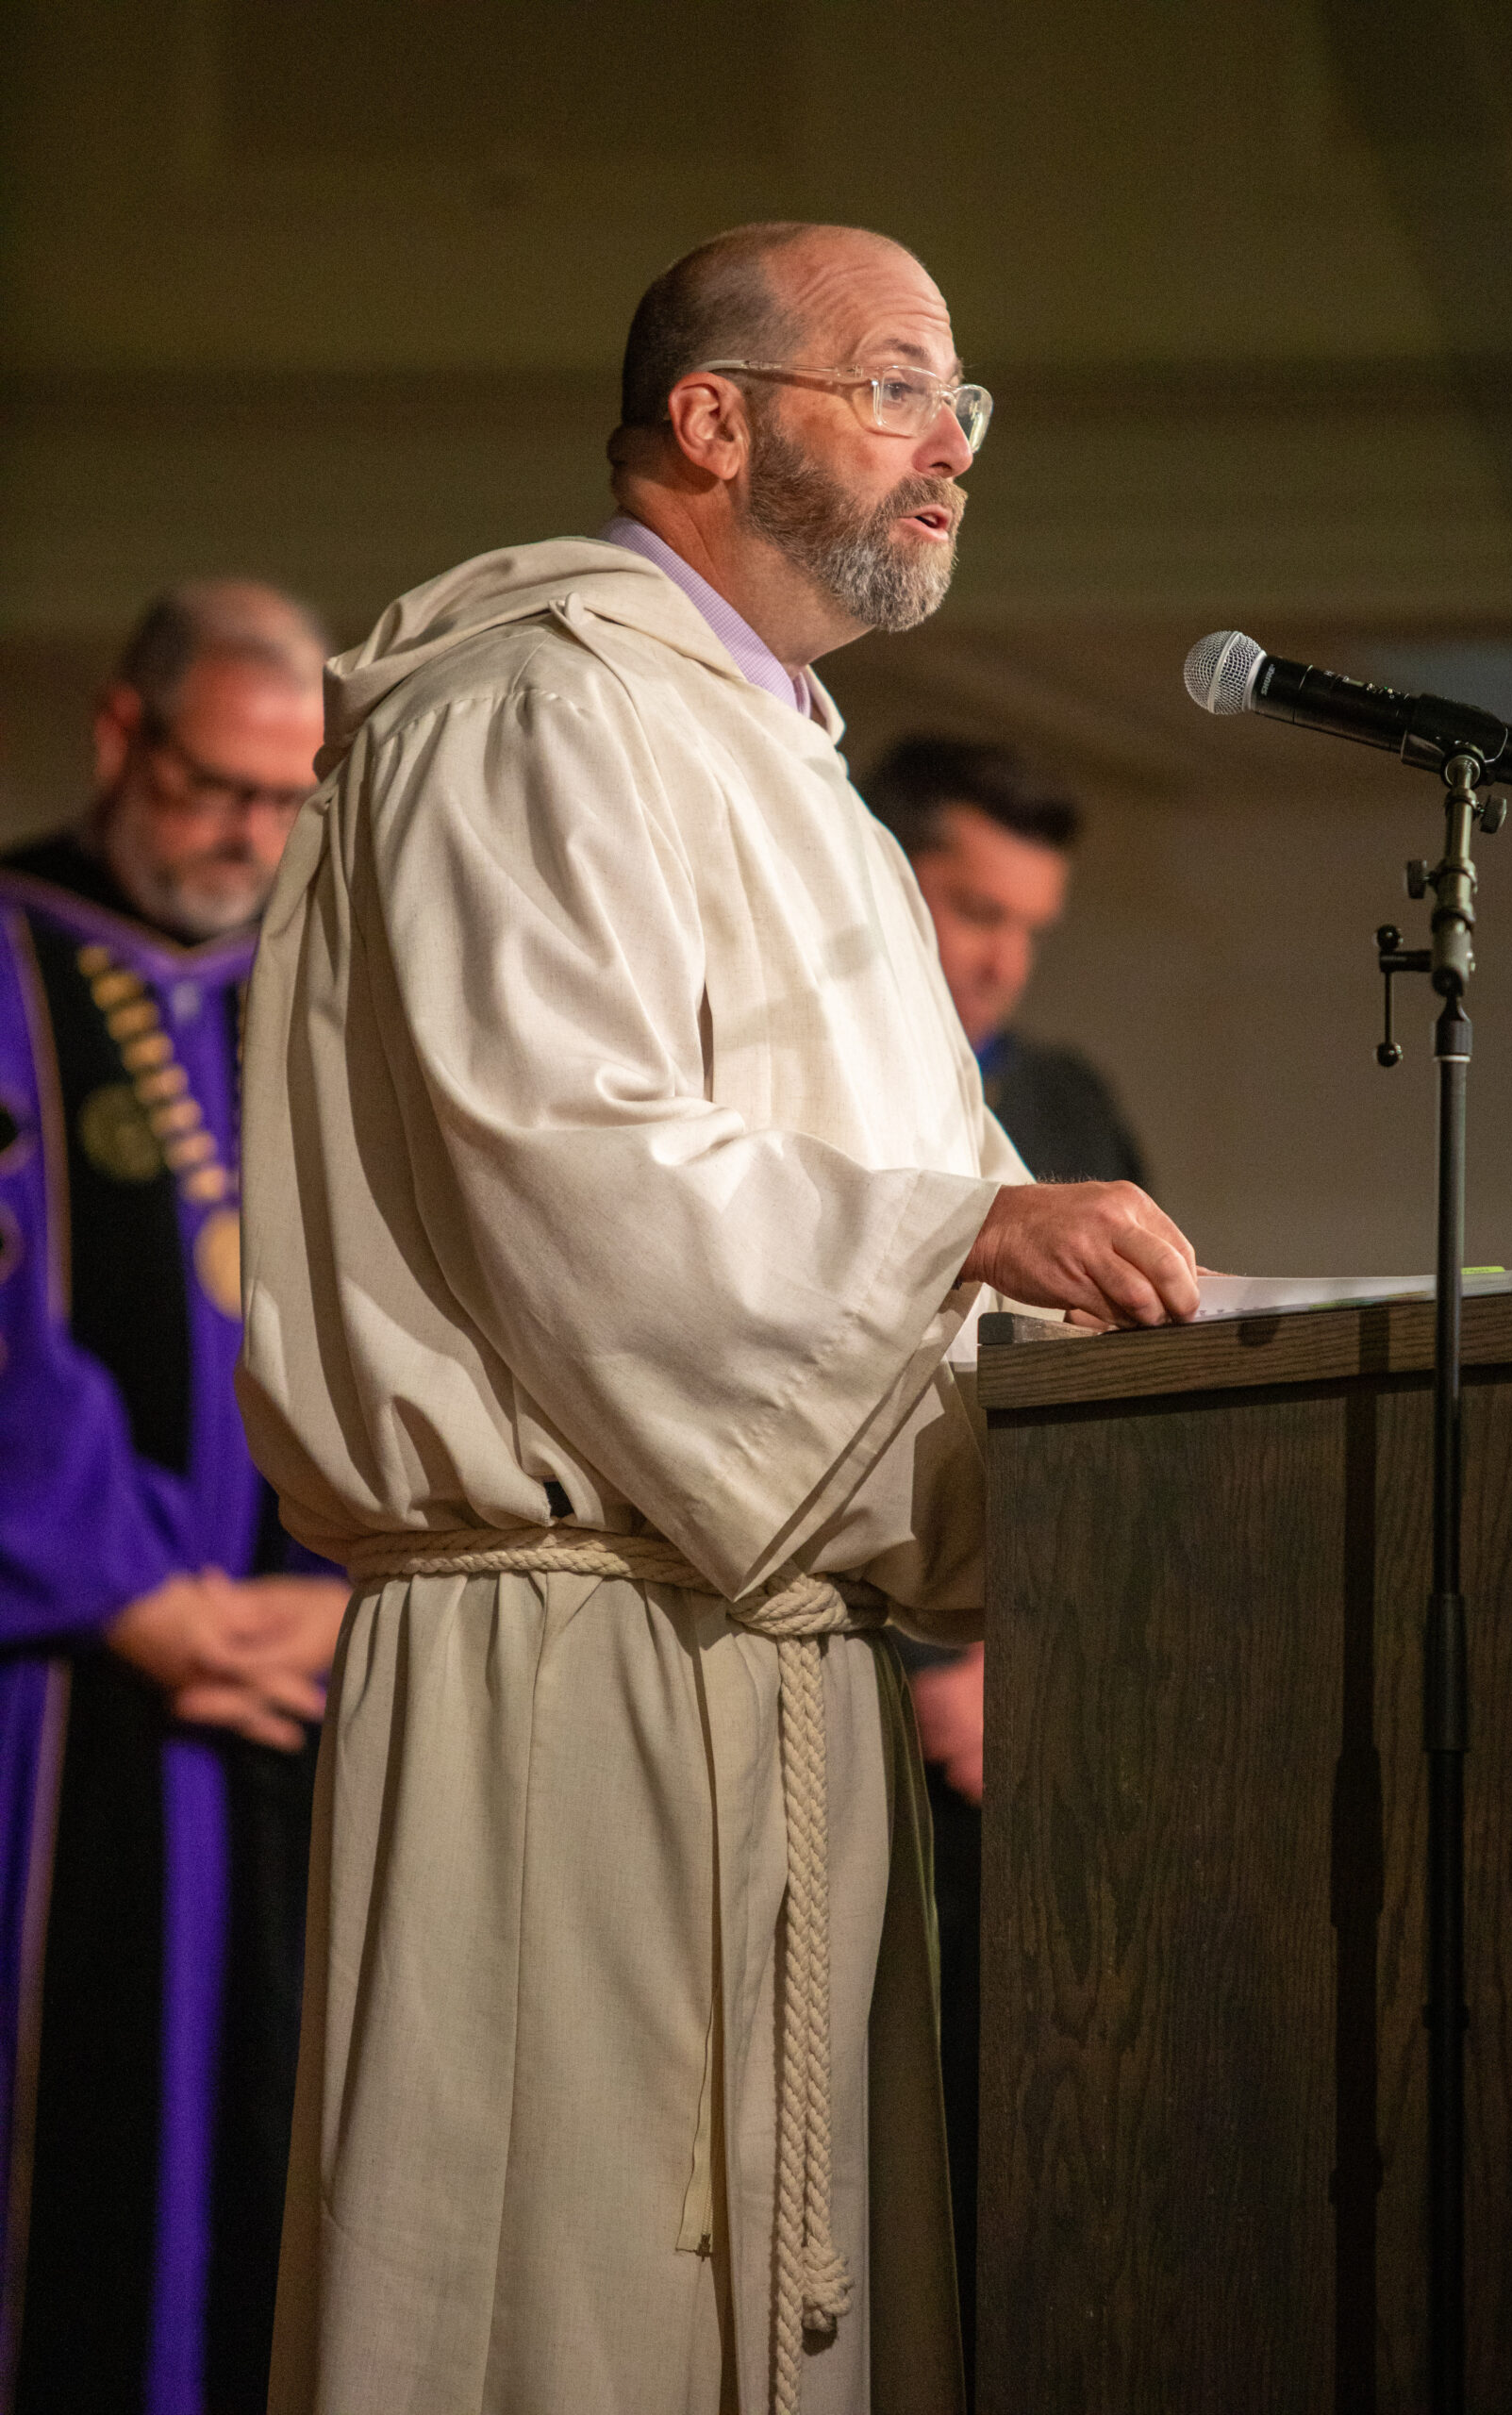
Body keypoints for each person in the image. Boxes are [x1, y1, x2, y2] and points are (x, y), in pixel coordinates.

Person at [237, 221, 1200, 2415]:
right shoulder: (529, 711)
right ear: (711, 417)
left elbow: (926, 1219)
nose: (947, 445)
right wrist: (965, 1238)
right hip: (564, 1671)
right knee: (549, 2321)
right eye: (890, 384)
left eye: (960, 402)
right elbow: (562, 1172)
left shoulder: (799, 784)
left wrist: (1120, 1359)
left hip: (778, 1684)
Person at [0, 583, 350, 2415]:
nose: (249, 838)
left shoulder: (318, 990)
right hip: (58, 1680)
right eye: (218, 787)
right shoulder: (7, 950)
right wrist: (130, 1582)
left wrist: (338, 1586)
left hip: (288, 1675)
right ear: (122, 738)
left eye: (289, 800)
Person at [864, 734, 1153, 2394]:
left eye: (1027, 923)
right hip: (860, 1683)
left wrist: (1025, 1656)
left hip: (1028, 1725)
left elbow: (1129, 1410)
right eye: (970, 905)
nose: (997, 958)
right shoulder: (789, 1087)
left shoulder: (1063, 1103)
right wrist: (931, 1668)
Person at [864, 735, 1147, 1185]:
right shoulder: (795, 1059)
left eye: (1031, 932)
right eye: (978, 914)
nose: (1008, 970)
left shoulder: (1073, 1107)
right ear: (878, 880)